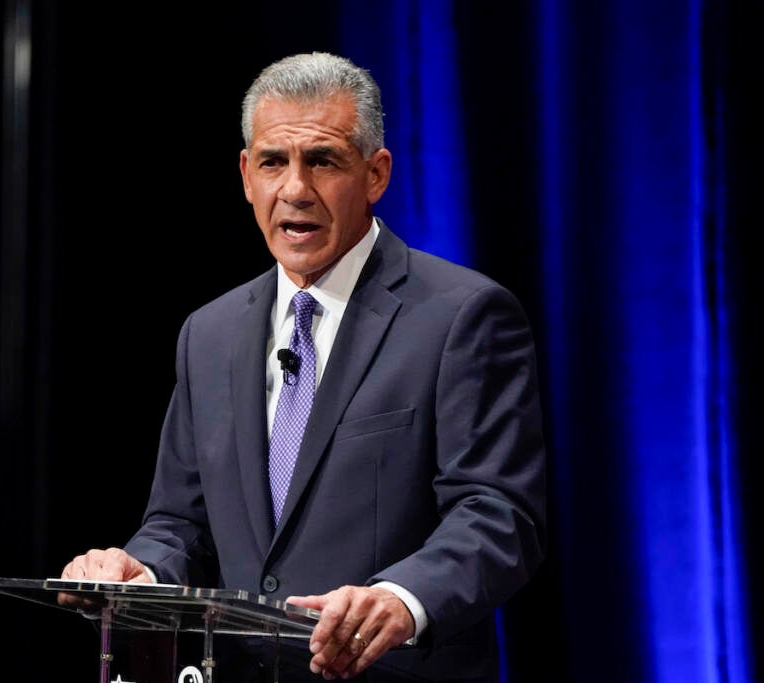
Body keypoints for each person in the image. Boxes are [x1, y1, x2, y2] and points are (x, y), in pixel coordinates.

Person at [62, 51, 546, 682]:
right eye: (273, 162)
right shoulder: (208, 334)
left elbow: (498, 513)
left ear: (375, 175)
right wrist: (139, 572)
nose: (295, 189)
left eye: (322, 160)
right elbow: (180, 524)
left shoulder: (461, 316)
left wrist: (400, 599)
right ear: (245, 175)